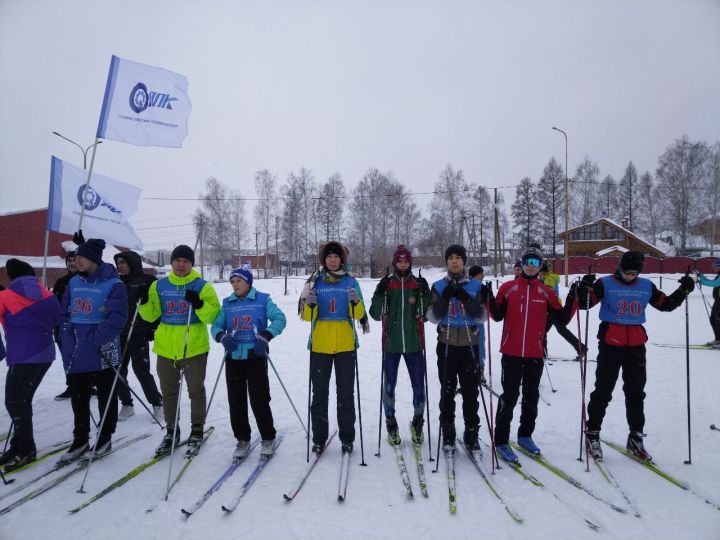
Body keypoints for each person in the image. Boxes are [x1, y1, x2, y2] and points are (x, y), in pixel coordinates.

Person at [575, 251, 694, 461]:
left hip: (636, 346)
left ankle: (635, 437)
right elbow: (586, 304)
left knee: (636, 393)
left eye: (634, 273)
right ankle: (592, 432)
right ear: (619, 268)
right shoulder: (606, 283)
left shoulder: (646, 286)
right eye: (626, 272)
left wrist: (683, 290)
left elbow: (665, 305)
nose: (630, 276)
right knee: (603, 390)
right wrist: (584, 288)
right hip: (611, 344)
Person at [483, 244, 574, 463]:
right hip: (511, 352)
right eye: (527, 263)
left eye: (535, 263)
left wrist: (574, 298)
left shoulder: (546, 292)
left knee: (531, 396)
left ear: (540, 266)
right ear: (522, 265)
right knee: (510, 396)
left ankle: (525, 435)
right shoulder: (508, 288)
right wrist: (487, 297)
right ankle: (502, 440)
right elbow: (496, 315)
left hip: (534, 353)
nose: (531, 267)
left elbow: (562, 319)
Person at [139, 245, 220, 456]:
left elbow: (214, 316)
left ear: (191, 264)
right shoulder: (160, 285)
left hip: (193, 347)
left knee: (195, 390)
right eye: (177, 261)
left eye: (186, 261)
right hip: (166, 348)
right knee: (169, 393)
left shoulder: (202, 286)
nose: (181, 265)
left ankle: (196, 430)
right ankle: (171, 431)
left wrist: (200, 304)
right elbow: (149, 315)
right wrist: (144, 302)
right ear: (171, 262)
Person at [58, 239, 127, 463]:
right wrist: (66, 335)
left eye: (81, 257)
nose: (75, 261)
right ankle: (80, 439)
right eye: (75, 257)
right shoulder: (73, 282)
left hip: (101, 348)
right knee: (78, 397)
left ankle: (105, 437)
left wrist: (95, 339)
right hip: (77, 348)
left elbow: (116, 319)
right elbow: (64, 312)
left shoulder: (113, 284)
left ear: (94, 260)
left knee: (106, 396)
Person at [211, 266, 286, 458]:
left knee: (259, 399)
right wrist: (221, 336)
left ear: (248, 282)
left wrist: (266, 335)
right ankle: (242, 439)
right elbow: (217, 325)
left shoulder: (262, 299)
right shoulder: (227, 303)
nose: (235, 285)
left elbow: (279, 319)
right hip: (234, 357)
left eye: (239, 281)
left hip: (255, 356)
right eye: (233, 282)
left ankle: (268, 437)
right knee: (236, 400)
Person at [299, 241, 366, 455]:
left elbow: (358, 315)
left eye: (336, 256)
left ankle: (347, 438)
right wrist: (310, 305)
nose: (332, 259)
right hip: (320, 345)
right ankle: (319, 438)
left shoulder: (351, 282)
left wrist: (355, 303)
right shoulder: (315, 282)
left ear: (342, 260)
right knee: (319, 394)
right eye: (328, 257)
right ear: (324, 260)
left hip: (346, 345)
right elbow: (307, 318)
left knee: (345, 395)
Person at [0, 259, 63, 471]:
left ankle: (26, 449)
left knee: (15, 402)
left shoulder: (5, 296)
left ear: (10, 276)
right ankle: (18, 445)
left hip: (22, 356)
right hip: (44, 354)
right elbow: (57, 320)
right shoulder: (48, 294)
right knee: (22, 401)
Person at [426, 244, 488, 451]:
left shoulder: (476, 286)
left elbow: (482, 316)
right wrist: (445, 299)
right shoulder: (438, 285)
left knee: (471, 392)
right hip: (447, 345)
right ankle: (448, 432)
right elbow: (433, 317)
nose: (454, 261)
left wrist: (466, 299)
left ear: (464, 261)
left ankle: (471, 433)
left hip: (470, 346)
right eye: (450, 258)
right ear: (446, 262)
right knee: (448, 391)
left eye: (458, 258)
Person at [368, 245, 430, 445]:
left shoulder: (416, 284)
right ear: (394, 262)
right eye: (399, 261)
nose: (403, 264)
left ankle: (418, 421)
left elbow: (426, 315)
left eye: (406, 261)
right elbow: (375, 315)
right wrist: (379, 292)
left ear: (410, 262)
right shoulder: (388, 285)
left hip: (414, 345)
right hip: (391, 345)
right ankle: (390, 422)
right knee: (389, 386)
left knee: (419, 387)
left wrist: (426, 292)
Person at [113, 251, 162, 421]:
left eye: (123, 262)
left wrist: (152, 328)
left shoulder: (148, 281)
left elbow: (158, 309)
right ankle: (126, 404)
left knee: (141, 370)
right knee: (118, 370)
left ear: (132, 263)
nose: (119, 265)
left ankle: (157, 403)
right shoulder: (116, 282)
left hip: (138, 332)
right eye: (118, 262)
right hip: (119, 333)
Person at [539, 262, 586, 360]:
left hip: (552, 309)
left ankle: (542, 353)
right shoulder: (550, 278)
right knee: (560, 330)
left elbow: (547, 293)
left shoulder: (549, 279)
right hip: (554, 308)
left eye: (540, 272)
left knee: (542, 331)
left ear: (543, 272)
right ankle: (581, 348)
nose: (539, 275)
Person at [52, 251, 78, 401]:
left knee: (83, 357)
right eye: (69, 261)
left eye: (75, 260)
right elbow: (55, 306)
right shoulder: (60, 282)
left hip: (82, 326)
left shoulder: (87, 279)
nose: (72, 263)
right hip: (64, 327)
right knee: (68, 358)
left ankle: (88, 385)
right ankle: (72, 386)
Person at [468, 265, 487, 384]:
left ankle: (480, 370)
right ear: (475, 275)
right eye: (481, 274)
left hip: (479, 322)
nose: (483, 276)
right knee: (470, 346)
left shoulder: (481, 287)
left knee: (480, 346)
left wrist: (488, 298)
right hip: (468, 322)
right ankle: (471, 370)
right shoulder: (468, 286)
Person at [695, 259, 720, 348]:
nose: (713, 268)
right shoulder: (718, 275)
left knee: (715, 319)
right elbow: (711, 282)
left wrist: (700, 281)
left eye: (714, 266)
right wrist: (700, 276)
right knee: (714, 319)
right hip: (718, 301)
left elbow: (715, 284)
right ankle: (718, 339)